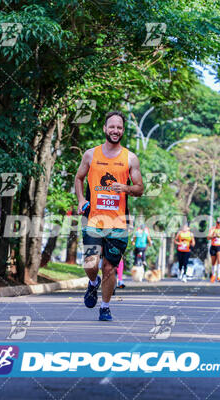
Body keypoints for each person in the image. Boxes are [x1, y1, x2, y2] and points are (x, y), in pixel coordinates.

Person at [74, 110, 144, 321]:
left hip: (118, 222)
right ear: (105, 129)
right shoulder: (90, 154)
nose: (115, 130)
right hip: (93, 218)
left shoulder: (130, 158)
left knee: (110, 267)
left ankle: (105, 307)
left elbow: (140, 188)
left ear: (123, 131)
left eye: (119, 127)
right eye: (112, 127)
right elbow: (79, 178)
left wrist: (125, 187)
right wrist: (80, 200)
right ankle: (92, 283)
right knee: (91, 262)